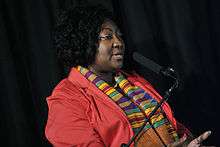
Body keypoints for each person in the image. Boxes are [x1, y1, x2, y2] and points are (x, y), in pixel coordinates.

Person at [45, 5, 213, 147]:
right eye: (108, 36)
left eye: (119, 36)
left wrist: (188, 142)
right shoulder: (66, 98)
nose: (118, 42)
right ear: (82, 42)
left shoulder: (134, 81)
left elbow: (173, 128)